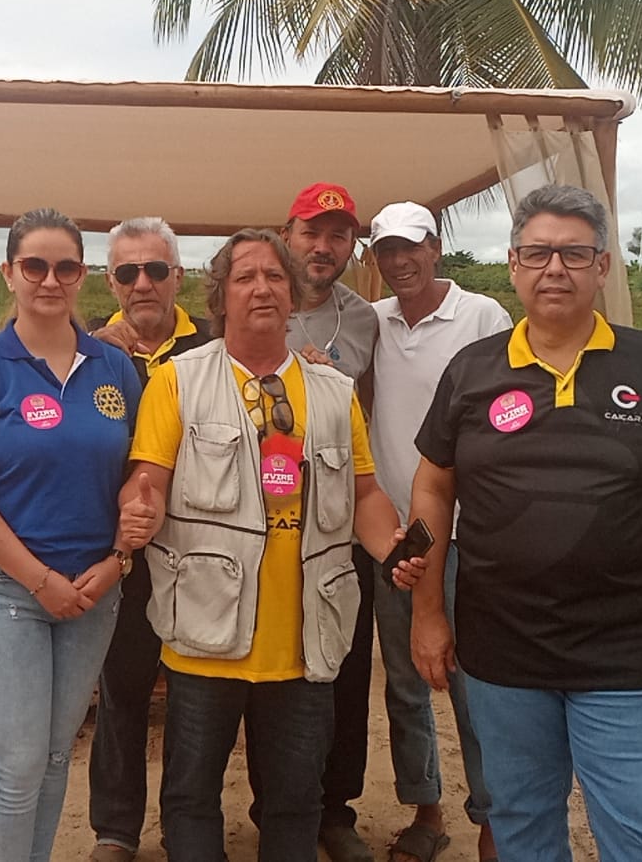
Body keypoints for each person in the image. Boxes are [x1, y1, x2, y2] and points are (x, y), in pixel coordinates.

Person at [408, 185, 642, 862]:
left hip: (628, 646)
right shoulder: (473, 369)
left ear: (602, 266)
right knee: (521, 824)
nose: (555, 268)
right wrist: (427, 613)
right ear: (513, 263)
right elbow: (433, 485)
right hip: (502, 645)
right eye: (538, 253)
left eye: (574, 254)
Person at [119, 228, 407, 862]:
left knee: (296, 801)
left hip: (304, 641)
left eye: (275, 276)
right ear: (220, 295)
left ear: (294, 294)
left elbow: (365, 494)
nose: (262, 289)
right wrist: (139, 510)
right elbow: (149, 479)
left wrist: (393, 547)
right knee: (190, 798)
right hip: (204, 636)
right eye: (245, 276)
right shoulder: (178, 382)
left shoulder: (333, 391)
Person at [0, 208, 142, 862]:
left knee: (56, 757)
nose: (49, 280)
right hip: (9, 592)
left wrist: (118, 560)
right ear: (9, 273)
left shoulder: (114, 368)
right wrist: (39, 580)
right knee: (19, 763)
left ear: (82, 275)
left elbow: (139, 478)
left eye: (64, 267)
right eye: (34, 266)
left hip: (93, 590)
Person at [367, 201, 510, 862]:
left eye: (411, 247)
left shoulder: (482, 317)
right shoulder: (373, 321)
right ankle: (426, 809)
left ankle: (491, 818)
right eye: (386, 251)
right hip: (395, 536)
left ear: (435, 248)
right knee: (405, 681)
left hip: (468, 537)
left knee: (473, 683)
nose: (400, 261)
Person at [84, 216, 212, 862]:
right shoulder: (86, 349)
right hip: (122, 552)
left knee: (195, 698)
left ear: (177, 277)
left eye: (155, 270)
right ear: (110, 280)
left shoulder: (214, 344)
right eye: (128, 272)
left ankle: (187, 826)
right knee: (122, 691)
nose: (142, 283)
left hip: (201, 550)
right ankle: (115, 829)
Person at [269, 181, 384, 862]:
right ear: (287, 234)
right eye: (311, 231)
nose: (322, 246)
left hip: (339, 523)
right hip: (261, 520)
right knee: (270, 672)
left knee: (343, 667)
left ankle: (335, 809)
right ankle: (275, 807)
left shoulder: (363, 319)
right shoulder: (252, 299)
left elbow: (364, 410)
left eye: (337, 235)